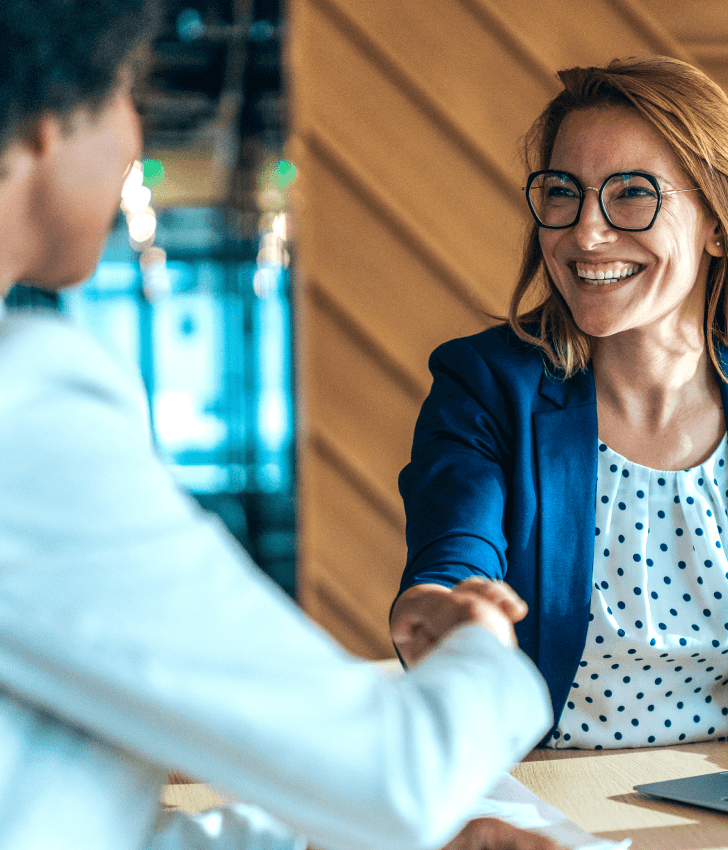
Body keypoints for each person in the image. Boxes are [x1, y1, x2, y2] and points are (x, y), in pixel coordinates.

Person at [0, 2, 556, 848]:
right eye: (123, 92)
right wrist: (484, 650)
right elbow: (395, 778)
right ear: (43, 123)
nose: (134, 136)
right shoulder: (23, 405)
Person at [391, 56, 728, 749]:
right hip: (541, 797)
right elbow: (453, 559)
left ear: (717, 222)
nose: (586, 233)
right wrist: (441, 612)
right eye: (563, 192)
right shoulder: (486, 384)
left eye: (633, 194)